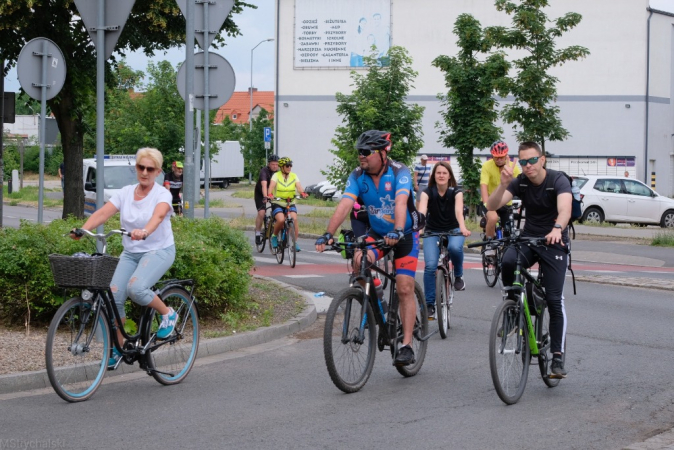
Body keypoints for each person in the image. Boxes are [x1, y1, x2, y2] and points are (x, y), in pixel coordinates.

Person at [315, 130, 425, 367]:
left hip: (404, 233)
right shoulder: (357, 176)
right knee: (358, 261)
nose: (361, 157)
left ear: (383, 153)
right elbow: (345, 203)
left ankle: (406, 345)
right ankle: (375, 301)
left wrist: (396, 229)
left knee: (405, 287)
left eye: (366, 152)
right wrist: (328, 234)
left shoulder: (399, 172)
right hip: (378, 232)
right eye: (359, 152)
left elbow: (401, 201)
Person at [72, 147, 178, 368]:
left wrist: (146, 231)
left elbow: (158, 216)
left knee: (136, 288)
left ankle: (168, 313)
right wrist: (82, 229)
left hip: (158, 250)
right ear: (136, 168)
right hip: (131, 252)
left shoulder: (162, 194)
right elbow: (103, 212)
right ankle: (118, 350)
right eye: (141, 167)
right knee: (114, 296)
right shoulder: (126, 192)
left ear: (158, 171)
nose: (145, 172)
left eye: (150, 168)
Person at [486, 141, 572, 379]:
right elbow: (492, 206)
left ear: (542, 159)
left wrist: (557, 228)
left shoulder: (557, 180)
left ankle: (556, 357)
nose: (527, 166)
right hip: (529, 239)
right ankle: (514, 309)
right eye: (522, 162)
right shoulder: (519, 181)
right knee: (508, 261)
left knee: (554, 299)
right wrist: (502, 185)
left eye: (532, 160)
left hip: (554, 241)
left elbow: (565, 209)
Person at [417, 161, 471, 317]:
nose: (441, 175)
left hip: (454, 229)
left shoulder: (456, 192)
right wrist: (419, 229)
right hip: (432, 230)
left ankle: (459, 276)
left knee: (455, 248)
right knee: (430, 266)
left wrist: (462, 227)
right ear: (434, 175)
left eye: (444, 173)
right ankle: (429, 304)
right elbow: (422, 212)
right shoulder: (427, 192)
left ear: (449, 176)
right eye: (438, 173)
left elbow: (458, 211)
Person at [480, 141, 521, 240]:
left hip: (506, 203)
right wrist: (487, 206)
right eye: (496, 157)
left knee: (508, 229)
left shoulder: (513, 167)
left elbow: (520, 187)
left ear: (506, 155)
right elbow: (483, 185)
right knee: (493, 218)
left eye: (501, 157)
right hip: (490, 201)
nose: (498, 160)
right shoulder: (486, 166)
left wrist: (522, 205)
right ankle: (490, 245)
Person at [267, 157, 308, 252]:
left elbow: (299, 187)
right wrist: (270, 194)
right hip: (278, 202)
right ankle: (274, 236)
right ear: (282, 167)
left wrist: (302, 193)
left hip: (290, 202)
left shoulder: (293, 176)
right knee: (281, 220)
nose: (289, 167)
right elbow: (271, 186)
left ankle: (294, 242)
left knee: (294, 219)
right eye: (287, 166)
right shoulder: (276, 176)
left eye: (291, 165)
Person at [254, 155, 279, 244]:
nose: (275, 166)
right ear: (269, 164)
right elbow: (264, 185)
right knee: (262, 213)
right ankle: (257, 233)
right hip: (261, 194)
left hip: (273, 194)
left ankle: (272, 228)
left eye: (277, 164)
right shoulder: (264, 171)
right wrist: (265, 196)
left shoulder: (279, 172)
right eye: (273, 164)